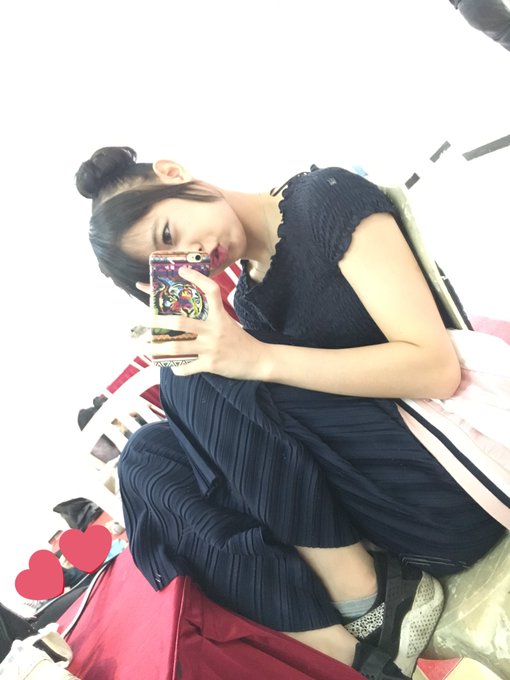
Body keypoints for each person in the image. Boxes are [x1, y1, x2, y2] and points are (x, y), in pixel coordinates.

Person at [75, 147, 507, 680]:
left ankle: (370, 597)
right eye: (173, 263)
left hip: (457, 477)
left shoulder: (324, 200)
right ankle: (348, 654)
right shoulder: (249, 300)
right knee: (146, 458)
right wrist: (241, 353)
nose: (194, 254)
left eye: (169, 233)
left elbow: (435, 370)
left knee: (192, 371)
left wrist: (255, 358)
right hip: (383, 508)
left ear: (173, 174)